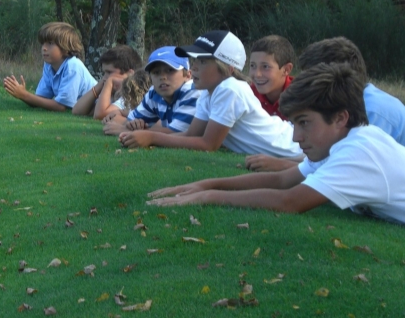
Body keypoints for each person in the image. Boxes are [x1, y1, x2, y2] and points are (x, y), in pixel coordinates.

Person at [147, 63, 405, 225]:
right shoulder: (343, 141)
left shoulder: (359, 151)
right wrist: (205, 183)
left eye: (304, 123)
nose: (296, 137)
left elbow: (289, 201)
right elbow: (282, 180)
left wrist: (208, 196)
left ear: (340, 118)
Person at [119, 30, 301, 159]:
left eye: (203, 61)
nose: (194, 67)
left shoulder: (230, 89)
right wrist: (146, 136)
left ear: (227, 69)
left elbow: (208, 145)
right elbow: (192, 135)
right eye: (195, 60)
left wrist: (151, 137)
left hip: (294, 149)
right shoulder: (207, 92)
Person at [246, 36, 405, 171]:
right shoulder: (352, 101)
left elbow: (346, 167)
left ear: (335, 76)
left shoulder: (372, 110)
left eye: (313, 79)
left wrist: (281, 165)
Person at [102, 47, 199, 136]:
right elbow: (131, 120)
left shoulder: (192, 91)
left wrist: (127, 131)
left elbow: (176, 132)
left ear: (188, 75)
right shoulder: (154, 93)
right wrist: (135, 124)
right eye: (156, 72)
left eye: (170, 70)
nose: (162, 77)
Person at [4, 22, 96, 112]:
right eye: (43, 43)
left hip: (101, 106)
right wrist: (21, 93)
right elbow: (40, 99)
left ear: (66, 48)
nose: (44, 48)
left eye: (50, 43)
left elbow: (61, 106)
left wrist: (24, 95)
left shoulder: (72, 66)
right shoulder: (49, 65)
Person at [72, 45, 142, 118]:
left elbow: (100, 114)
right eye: (104, 73)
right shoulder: (111, 92)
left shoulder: (130, 95)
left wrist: (109, 81)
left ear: (129, 74)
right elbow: (77, 111)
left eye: (109, 72)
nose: (105, 77)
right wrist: (98, 87)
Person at [248, 35, 295, 120]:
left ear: (286, 70)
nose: (257, 74)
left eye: (265, 67)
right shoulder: (248, 96)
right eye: (252, 65)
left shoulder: (302, 97)